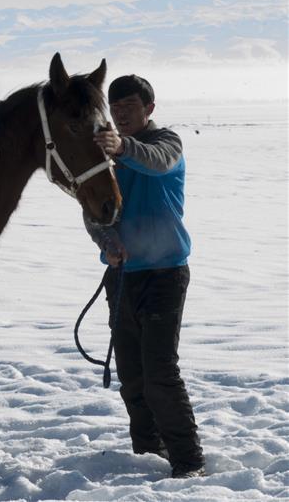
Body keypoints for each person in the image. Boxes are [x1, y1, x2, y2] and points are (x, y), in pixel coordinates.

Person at [85, 74, 205, 479]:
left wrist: (121, 147)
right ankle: (148, 454)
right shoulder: (104, 154)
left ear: (149, 109)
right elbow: (92, 209)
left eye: (129, 107)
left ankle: (188, 462)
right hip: (122, 277)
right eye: (115, 108)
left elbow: (157, 162)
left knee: (160, 374)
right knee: (133, 377)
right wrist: (107, 241)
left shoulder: (166, 142)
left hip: (166, 274)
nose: (120, 114)